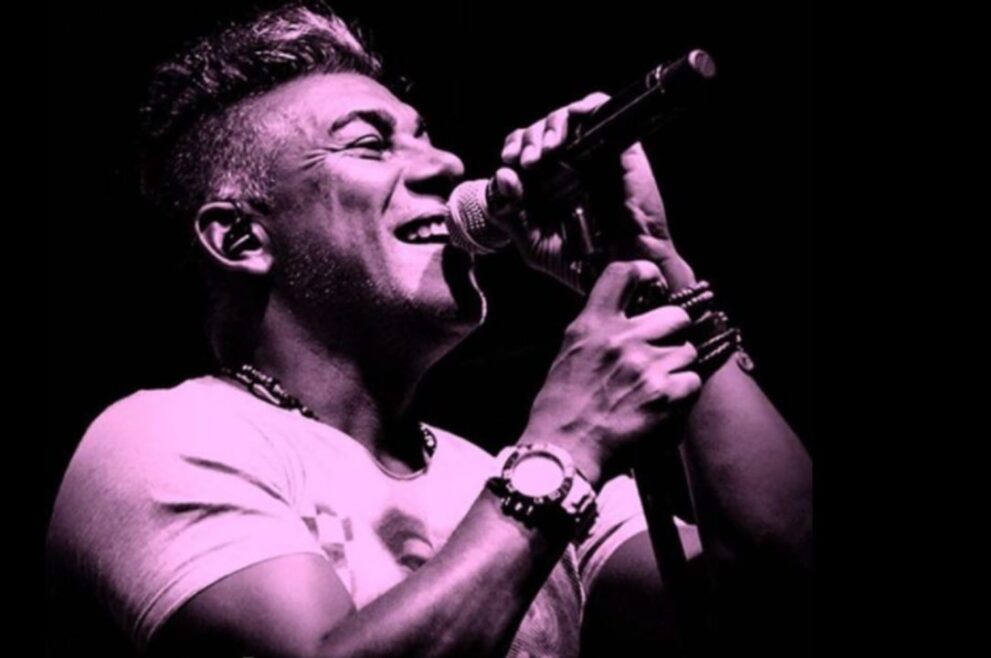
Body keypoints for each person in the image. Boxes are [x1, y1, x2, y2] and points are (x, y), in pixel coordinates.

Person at [46, 2, 812, 656]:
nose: (445, 163)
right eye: (369, 142)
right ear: (241, 238)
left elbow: (776, 585)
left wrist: (652, 260)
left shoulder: (500, 475)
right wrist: (565, 448)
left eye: (424, 136)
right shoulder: (163, 437)